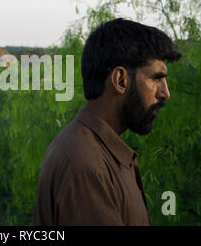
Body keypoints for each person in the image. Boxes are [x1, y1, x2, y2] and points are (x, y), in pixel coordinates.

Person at [34, 18, 182, 225]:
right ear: (120, 80)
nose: (165, 93)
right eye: (156, 78)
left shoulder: (94, 151)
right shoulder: (86, 166)